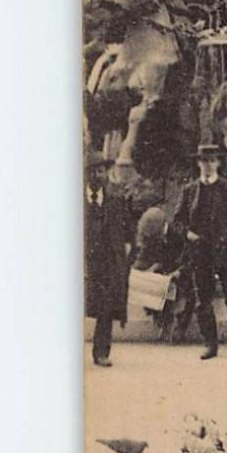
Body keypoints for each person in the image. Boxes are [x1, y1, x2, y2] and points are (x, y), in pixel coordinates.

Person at [173, 143, 227, 360]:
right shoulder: (190, 190)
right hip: (200, 253)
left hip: (226, 252)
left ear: (218, 163)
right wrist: (188, 234)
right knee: (203, 300)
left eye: (212, 161)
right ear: (198, 163)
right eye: (204, 161)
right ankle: (210, 345)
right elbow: (177, 221)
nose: (208, 165)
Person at [85, 152, 133, 367]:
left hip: (105, 264)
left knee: (105, 308)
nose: (98, 175)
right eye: (93, 172)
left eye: (101, 171)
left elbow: (128, 230)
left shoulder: (115, 200)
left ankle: (101, 352)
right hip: (81, 262)